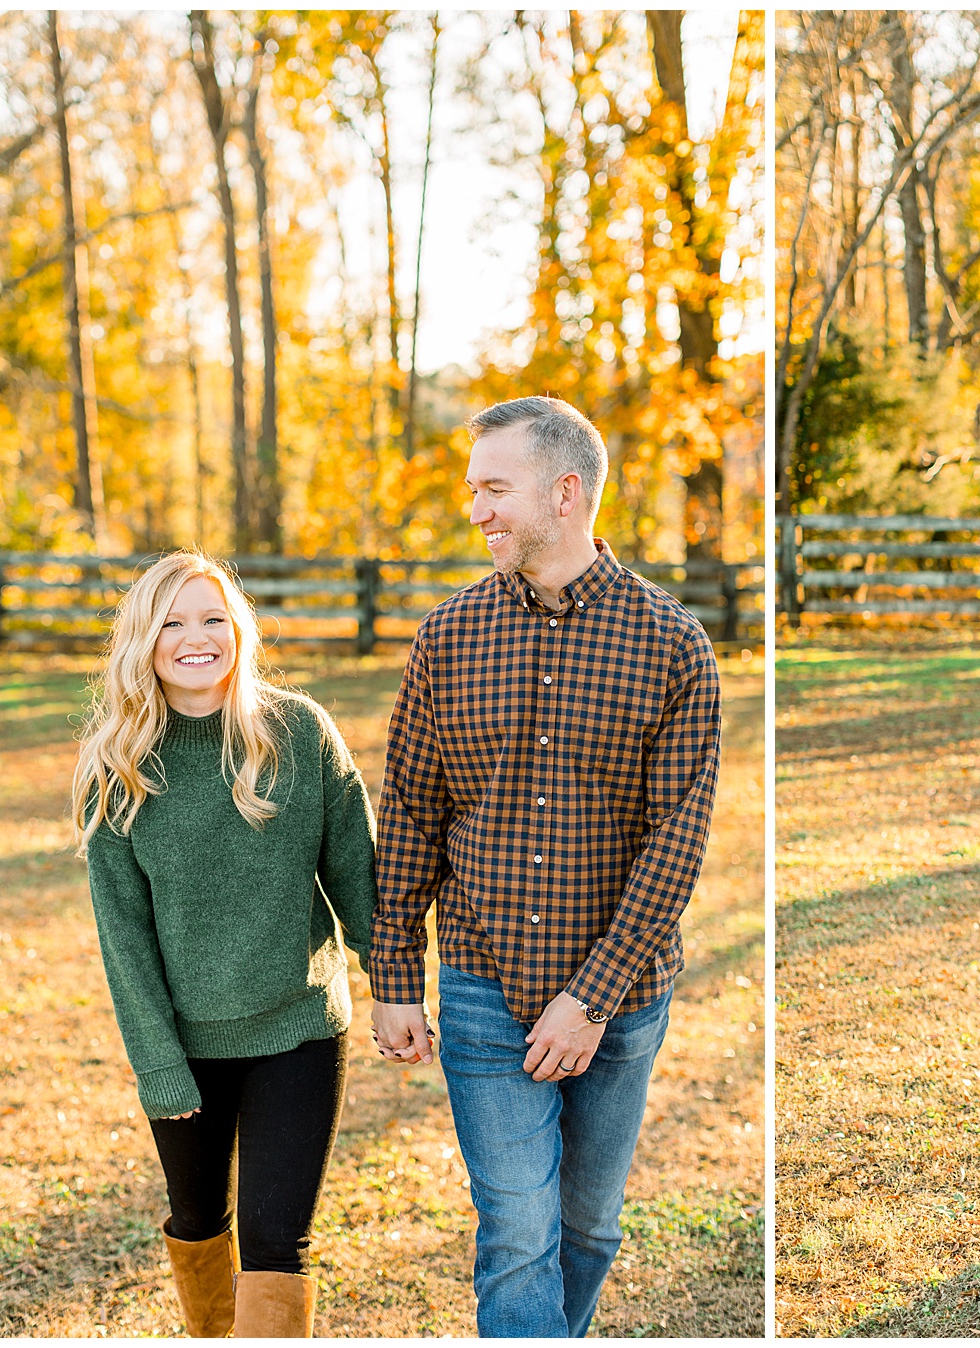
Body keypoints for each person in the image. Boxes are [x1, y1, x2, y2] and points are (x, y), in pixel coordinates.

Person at [369, 396, 723, 1337]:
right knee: (518, 1231)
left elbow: (676, 839)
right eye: (473, 489)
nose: (475, 509)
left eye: (494, 488)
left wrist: (593, 998)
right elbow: (408, 811)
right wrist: (395, 974)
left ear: (565, 493)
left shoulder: (673, 644)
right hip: (484, 980)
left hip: (621, 994)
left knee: (586, 1228)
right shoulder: (447, 637)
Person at [73, 549, 376, 1338]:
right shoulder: (119, 768)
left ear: (239, 629)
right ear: (143, 641)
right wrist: (159, 1065)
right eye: (172, 622)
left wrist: (401, 984)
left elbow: (356, 874)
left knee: (279, 1244)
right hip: (187, 1043)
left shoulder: (298, 732)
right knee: (199, 1219)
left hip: (299, 1028)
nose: (195, 637)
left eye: (213, 617)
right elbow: (124, 942)